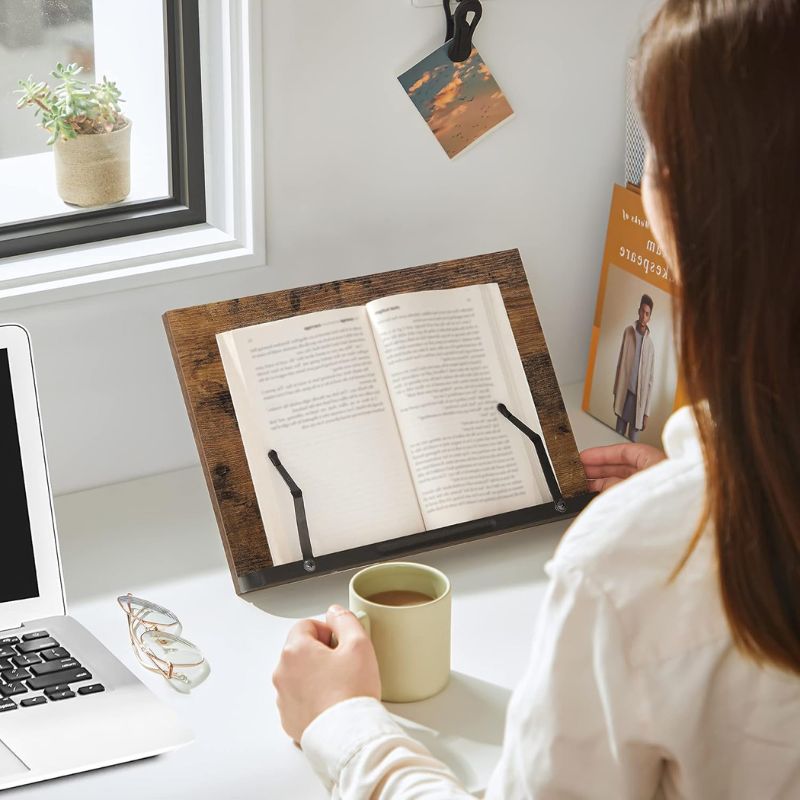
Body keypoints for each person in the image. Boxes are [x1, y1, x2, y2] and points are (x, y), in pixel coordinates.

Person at [272, 0, 800, 796]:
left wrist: (340, 725)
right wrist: (691, 479)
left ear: (684, 208)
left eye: (653, 154)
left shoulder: (640, 565)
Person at [613, 294, 655, 441]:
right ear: (638, 311)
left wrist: (646, 413)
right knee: (617, 434)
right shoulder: (628, 332)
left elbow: (650, 382)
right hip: (624, 394)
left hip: (639, 402)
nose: (644, 316)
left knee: (632, 440)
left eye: (647, 314)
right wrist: (615, 391)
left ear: (649, 317)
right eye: (642, 312)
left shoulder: (650, 347)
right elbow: (620, 363)